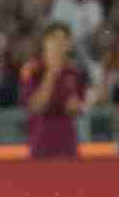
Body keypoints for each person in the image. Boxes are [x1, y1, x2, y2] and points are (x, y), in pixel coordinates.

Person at [19, 23, 89, 159]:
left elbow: (79, 106)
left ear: (69, 45)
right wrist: (52, 73)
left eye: (63, 40)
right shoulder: (32, 70)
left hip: (68, 146)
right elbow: (35, 106)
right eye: (54, 39)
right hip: (40, 145)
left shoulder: (74, 72)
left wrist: (76, 107)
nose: (58, 44)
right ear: (44, 42)